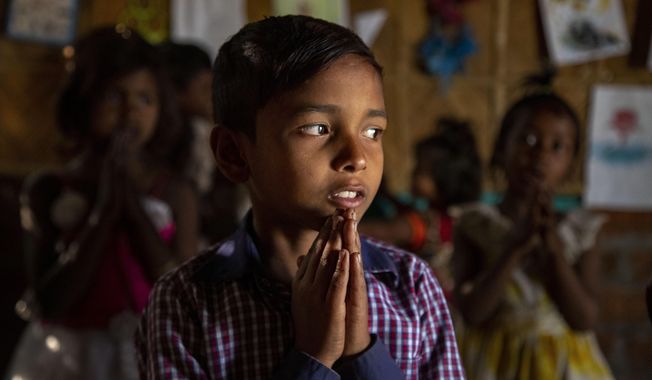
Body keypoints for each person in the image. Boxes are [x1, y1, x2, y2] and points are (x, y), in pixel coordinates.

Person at [136, 15, 464, 379]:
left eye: (372, 131)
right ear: (234, 153)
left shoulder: (412, 287)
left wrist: (360, 352)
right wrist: (313, 357)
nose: (356, 157)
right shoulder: (186, 302)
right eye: (317, 128)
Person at [7, 25, 198, 380]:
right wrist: (103, 212)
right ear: (83, 103)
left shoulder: (174, 190)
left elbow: (178, 288)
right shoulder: (48, 188)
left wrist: (126, 199)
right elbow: (51, 302)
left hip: (149, 353)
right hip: (64, 356)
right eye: (114, 97)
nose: (130, 112)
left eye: (145, 99)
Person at [452, 77, 614, 379]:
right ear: (502, 148)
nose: (541, 155)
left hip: (563, 366)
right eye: (528, 141)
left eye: (557, 147)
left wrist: (553, 250)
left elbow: (583, 319)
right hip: (492, 364)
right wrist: (513, 249)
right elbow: (472, 312)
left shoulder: (579, 232)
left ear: (571, 164)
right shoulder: (475, 225)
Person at [360, 117, 482, 294]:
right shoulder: (456, 218)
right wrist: (386, 195)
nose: (413, 173)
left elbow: (383, 231)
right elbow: (408, 211)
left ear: (444, 180)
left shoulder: (425, 225)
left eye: (421, 169)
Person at [158, 42, 249, 247]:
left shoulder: (211, 131)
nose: (211, 97)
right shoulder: (192, 133)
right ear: (175, 92)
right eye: (204, 88)